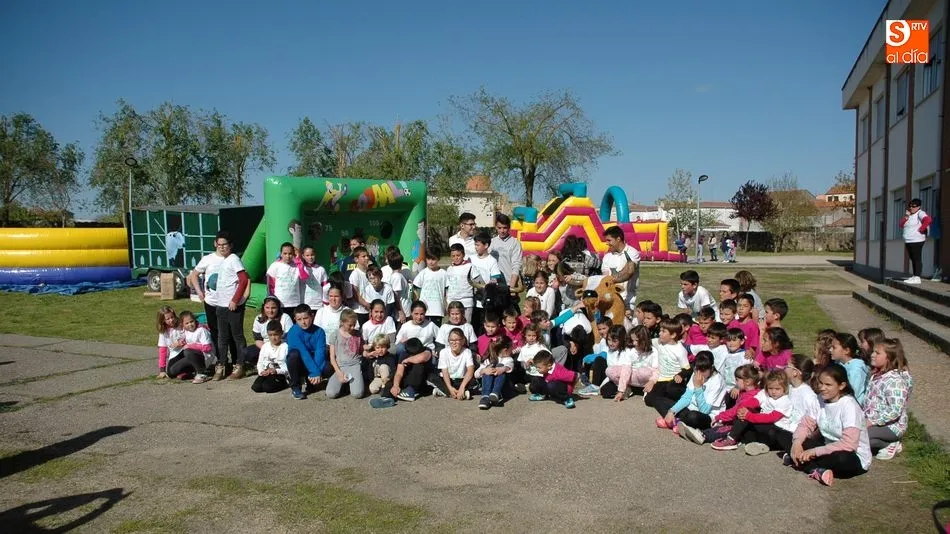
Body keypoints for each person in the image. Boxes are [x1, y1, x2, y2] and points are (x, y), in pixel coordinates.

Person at [787, 365, 872, 486]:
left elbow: (849, 444)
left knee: (841, 459)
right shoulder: (819, 400)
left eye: (828, 385)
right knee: (788, 437)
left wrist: (814, 452)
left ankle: (800, 462)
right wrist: (797, 443)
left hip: (851, 456)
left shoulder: (849, 406)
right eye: (820, 383)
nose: (822, 388)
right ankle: (814, 469)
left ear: (841, 386)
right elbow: (805, 424)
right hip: (827, 448)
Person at [187, 230, 250, 381]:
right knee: (220, 336)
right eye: (219, 244)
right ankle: (221, 364)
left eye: (225, 245)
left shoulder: (234, 259)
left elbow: (244, 279)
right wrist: (199, 292)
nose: (222, 247)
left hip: (231, 305)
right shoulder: (210, 259)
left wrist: (238, 299)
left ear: (230, 246)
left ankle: (238, 363)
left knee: (235, 335)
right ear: (215, 244)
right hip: (216, 303)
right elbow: (194, 275)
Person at [708, 370, 795, 453]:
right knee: (744, 417)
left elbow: (770, 417)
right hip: (762, 427)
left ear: (784, 388)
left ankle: (731, 439)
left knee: (749, 418)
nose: (773, 392)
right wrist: (743, 408)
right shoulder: (765, 393)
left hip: (776, 430)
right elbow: (754, 401)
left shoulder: (785, 402)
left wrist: (749, 416)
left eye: (777, 389)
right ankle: (754, 443)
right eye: (771, 388)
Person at [863, 338, 913, 460]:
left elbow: (895, 410)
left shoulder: (895, 381)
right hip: (871, 419)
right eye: (873, 352)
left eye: (877, 353)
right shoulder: (876, 374)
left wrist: (872, 422)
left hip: (892, 426)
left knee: (860, 437)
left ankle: (889, 444)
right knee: (851, 434)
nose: (873, 355)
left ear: (889, 358)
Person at [660, 351, 727, 441]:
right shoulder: (696, 373)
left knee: (693, 417)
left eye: (703, 370)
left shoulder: (717, 381)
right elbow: (687, 397)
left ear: (711, 367)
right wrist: (672, 411)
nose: (699, 374)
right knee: (662, 400)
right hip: (690, 409)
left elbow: (704, 410)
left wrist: (698, 387)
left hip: (707, 417)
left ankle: (678, 422)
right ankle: (678, 421)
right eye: (696, 369)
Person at [704, 364, 761, 444]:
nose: (735, 382)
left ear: (747, 382)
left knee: (718, 432)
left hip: (747, 427)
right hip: (737, 423)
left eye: (737, 380)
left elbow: (735, 411)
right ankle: (702, 433)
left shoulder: (752, 396)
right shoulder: (744, 393)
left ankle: (704, 436)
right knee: (715, 429)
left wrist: (719, 416)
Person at [644, 318, 690, 415]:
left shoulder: (680, 350)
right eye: (660, 330)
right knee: (648, 400)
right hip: (661, 379)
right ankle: (667, 402)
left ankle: (673, 412)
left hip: (674, 381)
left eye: (663, 331)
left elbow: (687, 368)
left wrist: (681, 375)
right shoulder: (659, 342)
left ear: (673, 335)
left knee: (671, 390)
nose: (660, 333)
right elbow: (646, 341)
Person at [240, 296, 293, 374]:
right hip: (265, 346)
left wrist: (276, 350)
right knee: (246, 352)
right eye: (267, 307)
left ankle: (282, 368)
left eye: (273, 308)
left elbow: (290, 338)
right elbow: (258, 339)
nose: (270, 311)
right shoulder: (258, 318)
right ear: (263, 308)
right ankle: (259, 365)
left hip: (282, 346)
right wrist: (267, 350)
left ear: (278, 308)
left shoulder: (285, 318)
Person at [286, 304, 327, 400]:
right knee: (293, 356)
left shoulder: (319, 331)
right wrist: (314, 371)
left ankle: (311, 382)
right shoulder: (293, 332)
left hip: (313, 361)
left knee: (328, 367)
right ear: (295, 319)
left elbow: (320, 352)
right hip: (299, 362)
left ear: (312, 316)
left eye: (306, 318)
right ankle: (296, 387)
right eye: (299, 320)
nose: (303, 322)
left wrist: (316, 373)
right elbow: (303, 353)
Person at [325, 310, 366, 399]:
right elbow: (332, 357)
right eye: (349, 325)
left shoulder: (358, 334)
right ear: (342, 322)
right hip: (340, 366)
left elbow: (362, 350)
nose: (352, 327)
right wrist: (338, 372)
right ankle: (343, 384)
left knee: (357, 394)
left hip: (355, 365)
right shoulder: (335, 335)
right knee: (331, 394)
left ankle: (351, 385)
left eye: (354, 325)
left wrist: (369, 351)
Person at [601, 226, 641, 312]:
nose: (607, 243)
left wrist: (614, 280)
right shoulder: (607, 257)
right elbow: (606, 276)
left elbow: (629, 271)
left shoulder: (632, 252)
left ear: (618, 239)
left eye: (609, 240)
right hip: (610, 298)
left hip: (628, 299)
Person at [469, 232, 503, 333]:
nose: (476, 247)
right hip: (472, 299)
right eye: (475, 244)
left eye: (478, 245)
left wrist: (491, 282)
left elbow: (495, 277)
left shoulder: (491, 261)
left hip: (484, 301)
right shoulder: (471, 259)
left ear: (486, 245)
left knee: (483, 327)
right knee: (473, 326)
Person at [476, 335, 515, 409]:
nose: (512, 349)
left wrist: (502, 369)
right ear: (505, 350)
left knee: (500, 366)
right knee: (488, 368)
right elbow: (476, 374)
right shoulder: (489, 360)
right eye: (511, 348)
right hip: (489, 389)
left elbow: (510, 367)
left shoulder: (509, 359)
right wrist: (484, 370)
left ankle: (495, 393)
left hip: (505, 389)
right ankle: (485, 397)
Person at [267, 242, 305, 317]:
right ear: (281, 254)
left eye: (290, 253)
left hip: (295, 303)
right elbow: (270, 284)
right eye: (285, 253)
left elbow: (303, 276)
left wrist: (298, 259)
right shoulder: (275, 265)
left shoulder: (297, 266)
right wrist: (273, 300)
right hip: (280, 303)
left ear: (294, 254)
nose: (288, 256)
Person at [251, 320, 289, 394]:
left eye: (276, 335)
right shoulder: (265, 346)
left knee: (267, 388)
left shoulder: (285, 347)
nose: (273, 338)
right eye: (270, 335)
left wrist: (276, 371)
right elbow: (260, 362)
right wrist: (261, 371)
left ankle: (284, 384)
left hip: (280, 374)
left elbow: (288, 367)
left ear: (281, 333)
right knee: (256, 387)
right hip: (267, 372)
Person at [899, 198, 932, 284]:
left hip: (917, 240)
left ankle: (917, 277)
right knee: (912, 258)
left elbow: (928, 220)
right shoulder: (909, 215)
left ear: (918, 206)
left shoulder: (920, 213)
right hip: (909, 240)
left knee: (917, 258)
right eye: (910, 206)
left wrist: (921, 229)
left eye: (914, 206)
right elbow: (901, 225)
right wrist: (906, 216)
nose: (911, 208)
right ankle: (914, 276)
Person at [390, 338, 432, 402]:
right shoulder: (404, 354)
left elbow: (422, 357)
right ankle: (387, 398)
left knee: (418, 365)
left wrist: (408, 360)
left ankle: (411, 390)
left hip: (422, 380)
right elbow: (399, 373)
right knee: (393, 379)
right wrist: (396, 385)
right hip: (408, 379)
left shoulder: (426, 350)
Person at [831, 333, 869, 404]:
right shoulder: (838, 363)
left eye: (834, 347)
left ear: (847, 350)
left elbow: (853, 393)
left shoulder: (856, 370)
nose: (830, 350)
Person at [412, 251, 448, 326]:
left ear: (438, 259)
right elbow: (415, 287)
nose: (431, 262)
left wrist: (447, 305)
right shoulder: (423, 272)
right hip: (424, 311)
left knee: (436, 332)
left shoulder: (444, 273)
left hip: (437, 310)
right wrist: (417, 300)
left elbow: (447, 291)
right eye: (428, 259)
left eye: (433, 259)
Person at [490, 213, 522, 289]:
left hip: (508, 284)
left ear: (509, 227)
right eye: (499, 228)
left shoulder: (515, 243)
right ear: (496, 227)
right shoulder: (491, 242)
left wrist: (511, 287)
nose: (502, 231)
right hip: (493, 284)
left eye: (505, 228)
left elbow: (516, 265)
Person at [445, 244, 475, 323]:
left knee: (466, 325)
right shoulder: (449, 269)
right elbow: (448, 288)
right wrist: (448, 302)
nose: (456, 258)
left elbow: (477, 281)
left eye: (458, 255)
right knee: (454, 327)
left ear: (463, 255)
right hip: (452, 302)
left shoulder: (470, 266)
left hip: (466, 302)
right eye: (453, 256)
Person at [155, 306, 184, 380]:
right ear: (163, 321)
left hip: (187, 350)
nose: (171, 320)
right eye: (168, 319)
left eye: (172, 317)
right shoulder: (163, 332)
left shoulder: (181, 324)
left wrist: (182, 342)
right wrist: (162, 370)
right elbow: (162, 350)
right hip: (175, 354)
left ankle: (189, 371)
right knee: (171, 373)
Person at [347, 246, 373, 325]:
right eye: (363, 256)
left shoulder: (370, 272)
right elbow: (356, 294)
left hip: (370, 309)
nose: (367, 258)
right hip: (359, 311)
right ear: (356, 259)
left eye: (367, 256)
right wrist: (366, 305)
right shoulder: (355, 274)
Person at [299, 246, 328, 312]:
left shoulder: (321, 269)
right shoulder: (300, 269)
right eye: (307, 255)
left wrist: (325, 302)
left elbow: (325, 287)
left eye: (312, 255)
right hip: (304, 303)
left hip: (318, 304)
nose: (310, 257)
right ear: (303, 256)